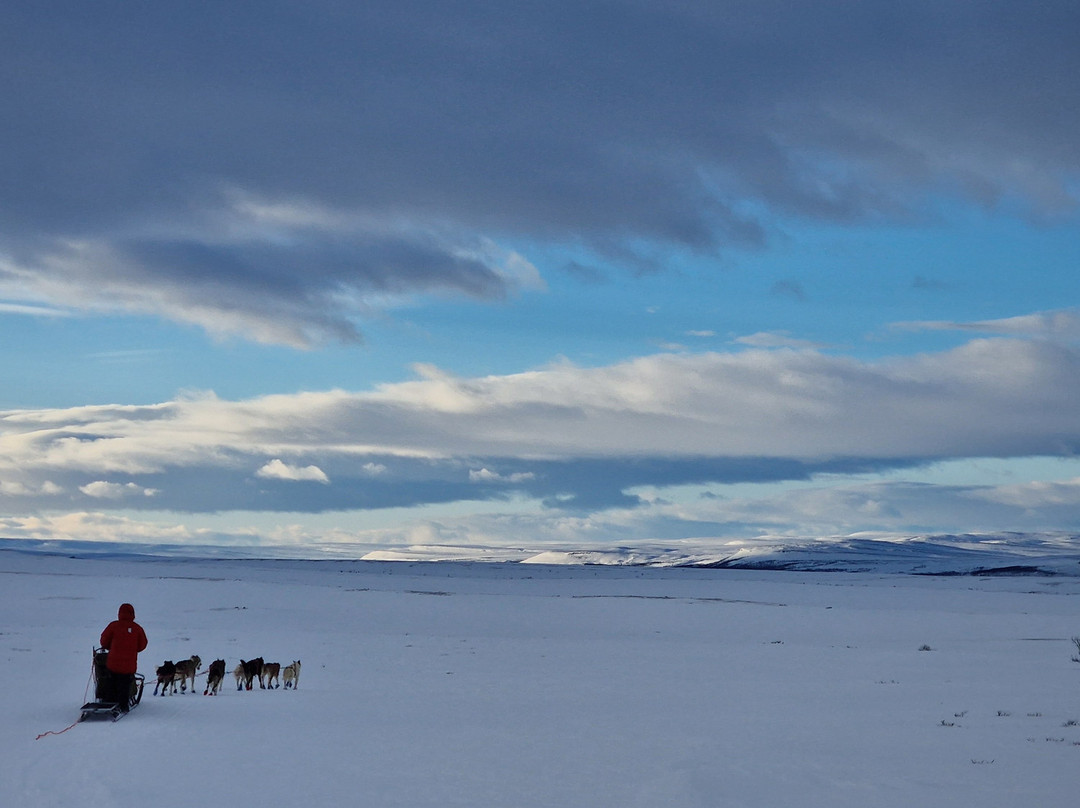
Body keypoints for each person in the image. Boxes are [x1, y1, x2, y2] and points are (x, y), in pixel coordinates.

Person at [99, 603, 148, 712]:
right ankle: (123, 705)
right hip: (129, 664)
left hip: (113, 662)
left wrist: (109, 647)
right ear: (133, 614)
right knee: (124, 684)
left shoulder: (113, 625)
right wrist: (133, 649)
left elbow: (104, 640)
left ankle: (109, 701)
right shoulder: (137, 628)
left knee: (111, 681)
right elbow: (143, 644)